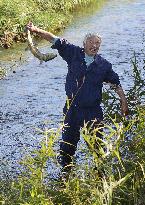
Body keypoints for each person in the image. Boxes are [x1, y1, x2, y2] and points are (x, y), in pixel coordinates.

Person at [26, 22, 129, 171]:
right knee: (67, 146)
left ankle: (100, 177)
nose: (94, 46)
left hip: (92, 112)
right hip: (71, 109)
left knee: (96, 146)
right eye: (91, 42)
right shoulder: (73, 53)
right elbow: (53, 38)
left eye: (97, 44)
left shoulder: (104, 65)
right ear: (84, 43)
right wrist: (35, 30)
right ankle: (66, 175)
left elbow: (116, 84)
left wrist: (123, 102)